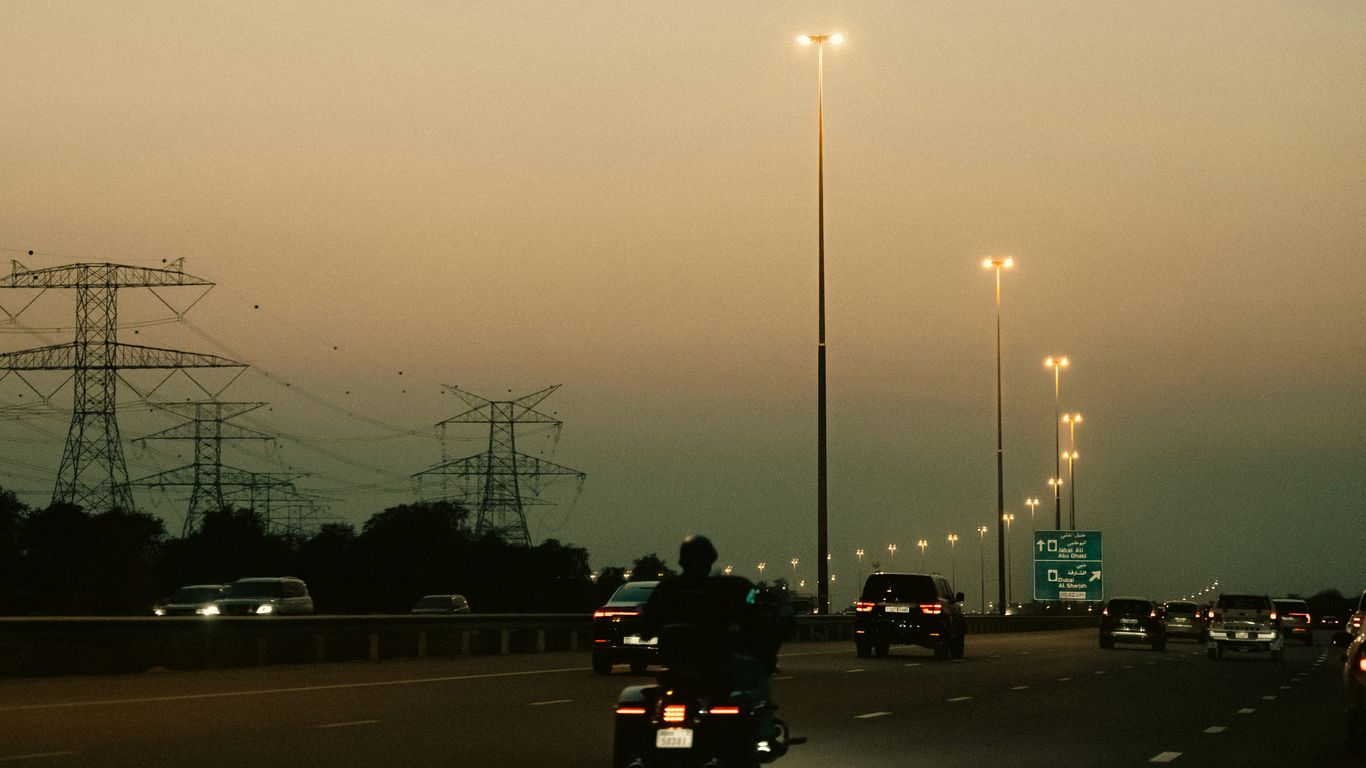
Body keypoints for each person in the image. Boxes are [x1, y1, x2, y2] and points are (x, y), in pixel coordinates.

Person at [642, 535, 788, 758]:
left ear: (682, 560)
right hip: (715, 664)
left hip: (673, 669)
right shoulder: (723, 589)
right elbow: (750, 617)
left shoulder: (667, 589)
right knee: (756, 674)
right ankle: (764, 738)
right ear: (710, 560)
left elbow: (646, 628)